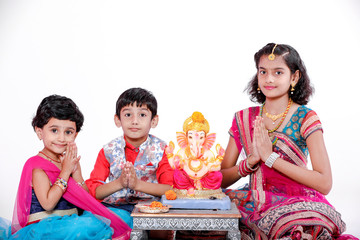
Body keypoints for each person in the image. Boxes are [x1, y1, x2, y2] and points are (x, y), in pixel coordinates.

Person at [220, 43, 358, 239]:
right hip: (254, 201)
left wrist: (270, 158)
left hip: (298, 204)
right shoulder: (243, 118)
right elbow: (219, 180)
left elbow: (325, 183)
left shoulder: (306, 118)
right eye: (263, 72)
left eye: (278, 72)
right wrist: (250, 162)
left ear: (294, 77)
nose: (268, 79)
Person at [10, 95, 131, 240]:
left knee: (120, 215)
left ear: (76, 134)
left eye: (68, 132)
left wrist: (77, 173)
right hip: (46, 227)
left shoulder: (68, 160)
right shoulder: (36, 165)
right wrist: (66, 171)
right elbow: (48, 203)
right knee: (82, 228)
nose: (61, 138)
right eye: (54, 130)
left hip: (73, 219)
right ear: (39, 132)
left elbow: (85, 198)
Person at [85, 87, 174, 234]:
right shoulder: (108, 150)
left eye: (142, 115)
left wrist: (137, 184)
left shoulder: (162, 149)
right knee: (97, 227)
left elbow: (170, 188)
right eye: (128, 114)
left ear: (154, 120)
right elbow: (95, 191)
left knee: (161, 231)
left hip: (151, 208)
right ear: (117, 119)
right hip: (115, 208)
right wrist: (119, 183)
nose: (134, 121)